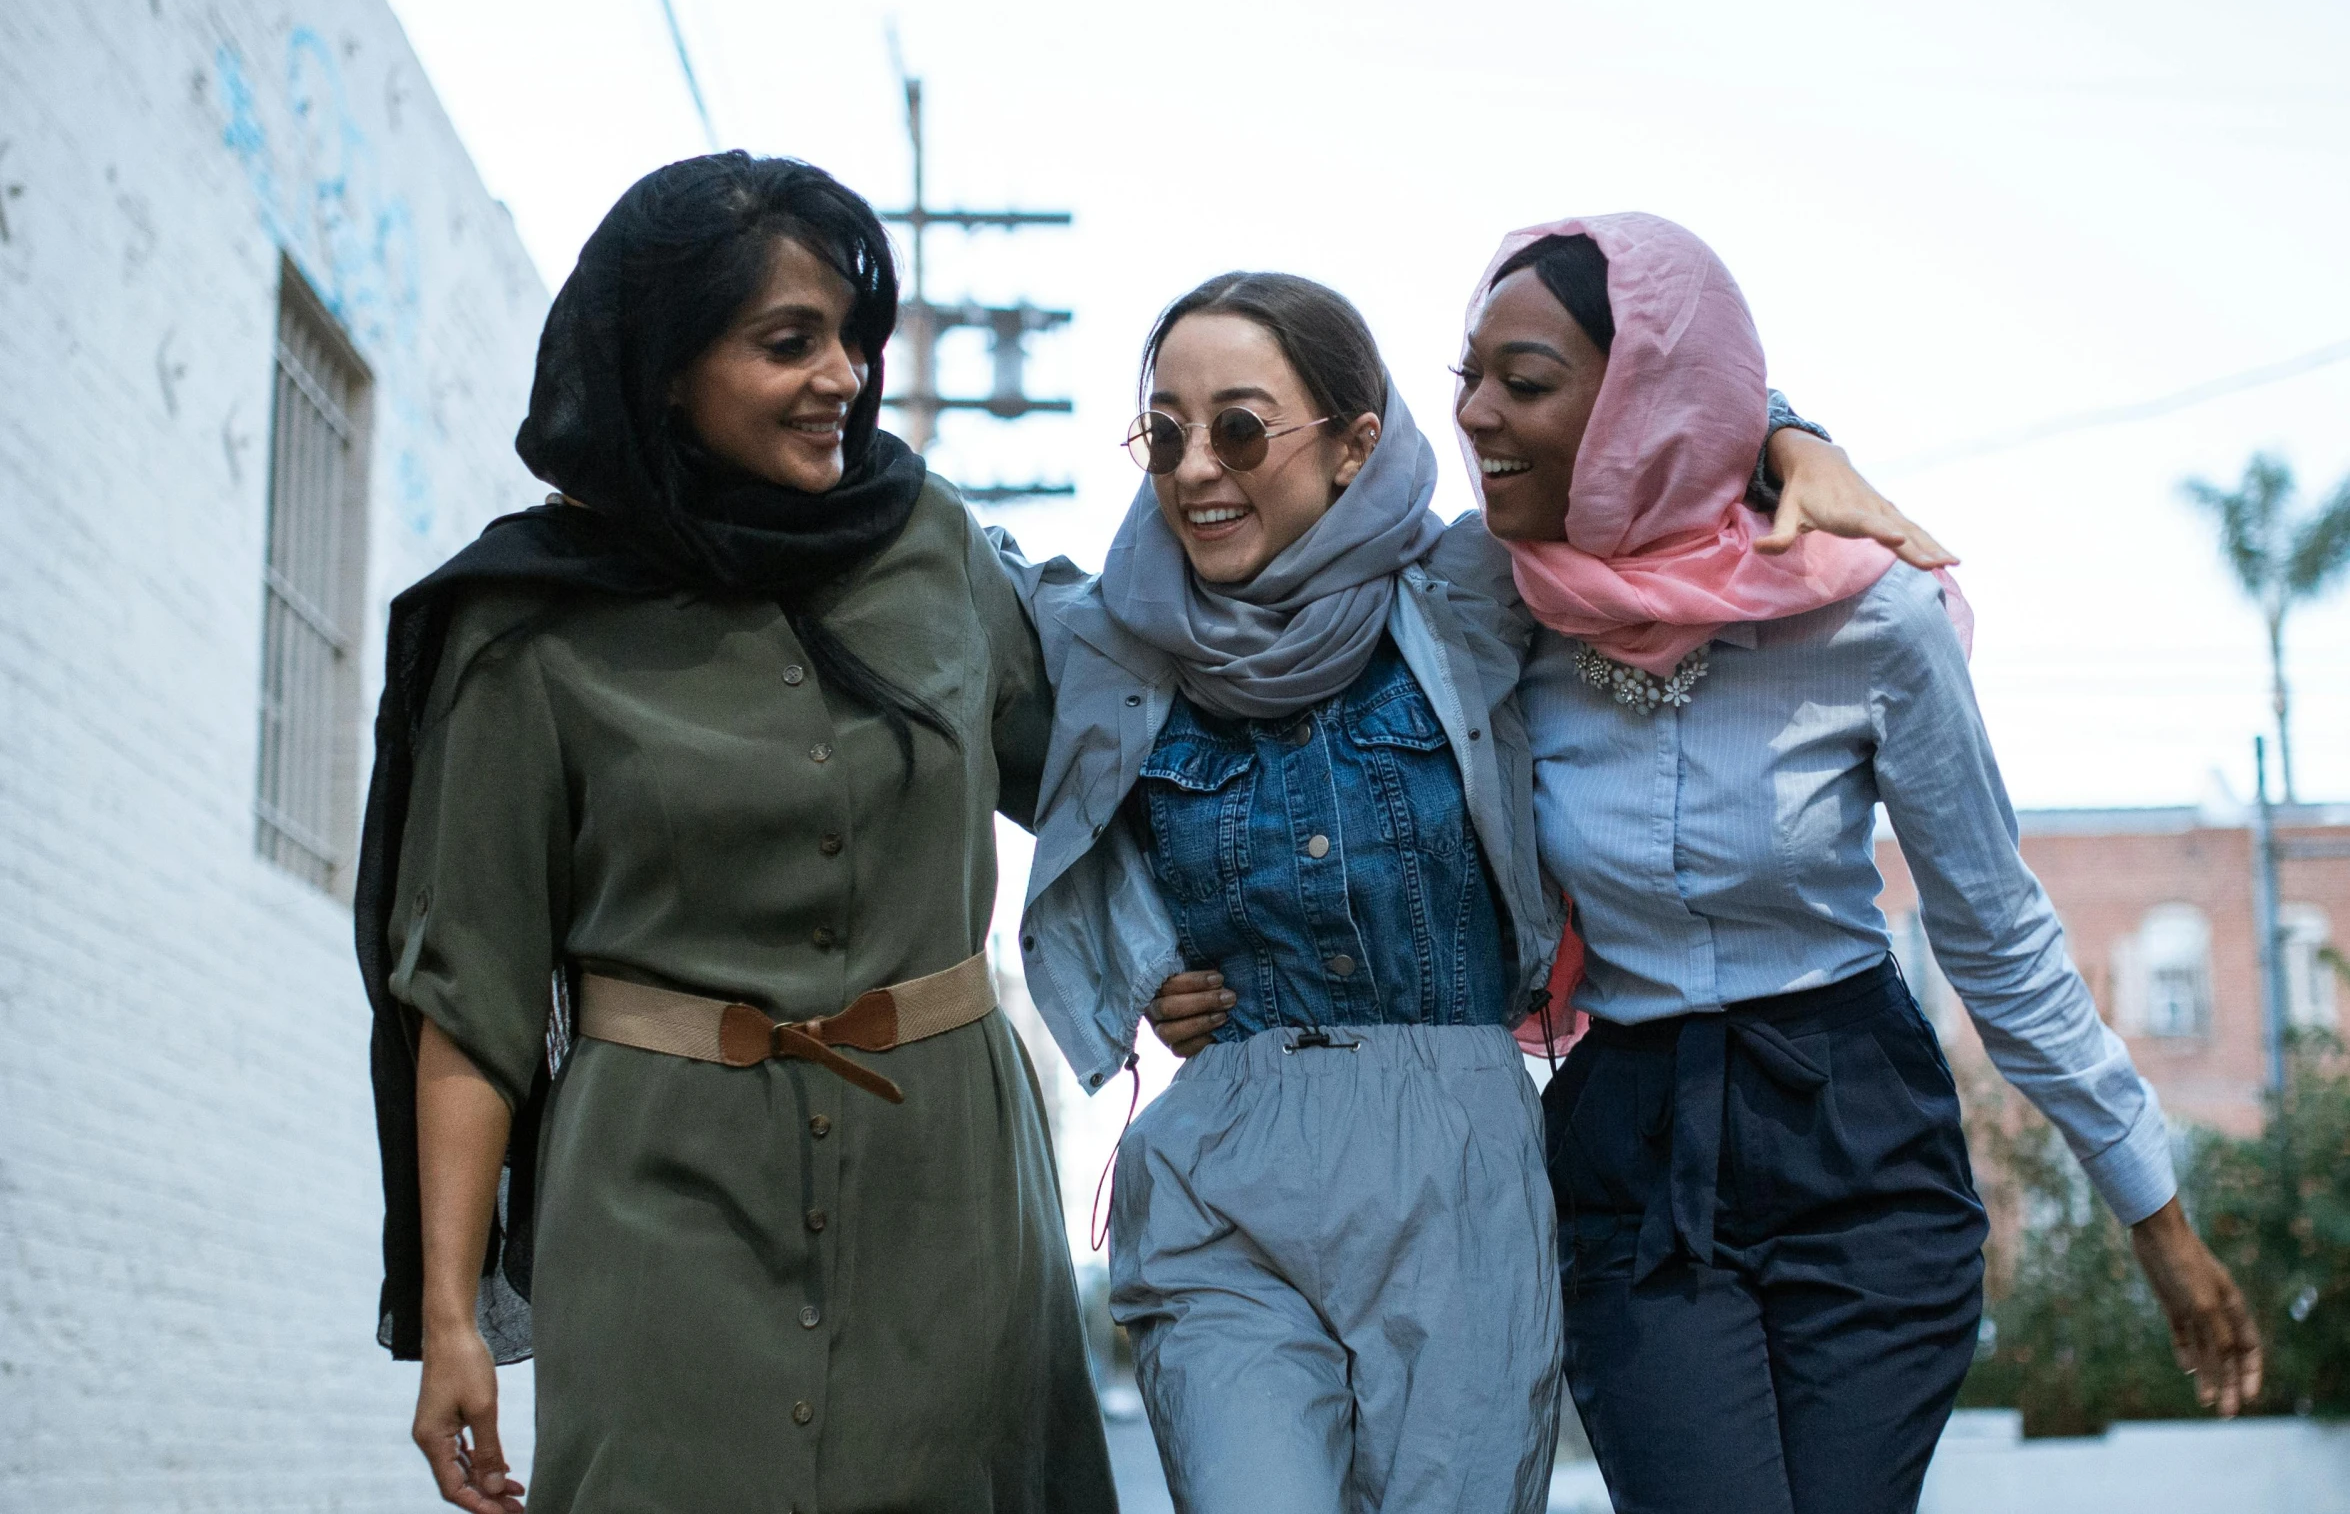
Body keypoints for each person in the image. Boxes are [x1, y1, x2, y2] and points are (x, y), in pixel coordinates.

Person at [1008, 271, 1922, 1514]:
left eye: (1238, 426)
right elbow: (938, 569)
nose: (1194, 469)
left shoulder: (1468, 593)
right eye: (1163, 432)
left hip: (1458, 1169)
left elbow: (1627, 412)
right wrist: (1137, 954)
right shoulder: (1106, 636)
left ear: (1353, 444)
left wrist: (1784, 429)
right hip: (1226, 1167)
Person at [1454, 213, 2261, 1514]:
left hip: (1860, 1150)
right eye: (1467, 380)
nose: (1478, 415)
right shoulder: (1481, 601)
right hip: (1631, 1165)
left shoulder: (1867, 611)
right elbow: (1299, 613)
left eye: (1526, 382)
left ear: (1640, 409)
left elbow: (1996, 934)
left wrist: (2152, 1215)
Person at [357, 152, 1113, 1514]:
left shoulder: (933, 547)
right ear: (662, 365)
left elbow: (1107, 772)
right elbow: (467, 994)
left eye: (851, 339)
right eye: (789, 342)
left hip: (946, 1192)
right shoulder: (524, 624)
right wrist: (455, 1315)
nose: (843, 376)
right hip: (658, 1196)